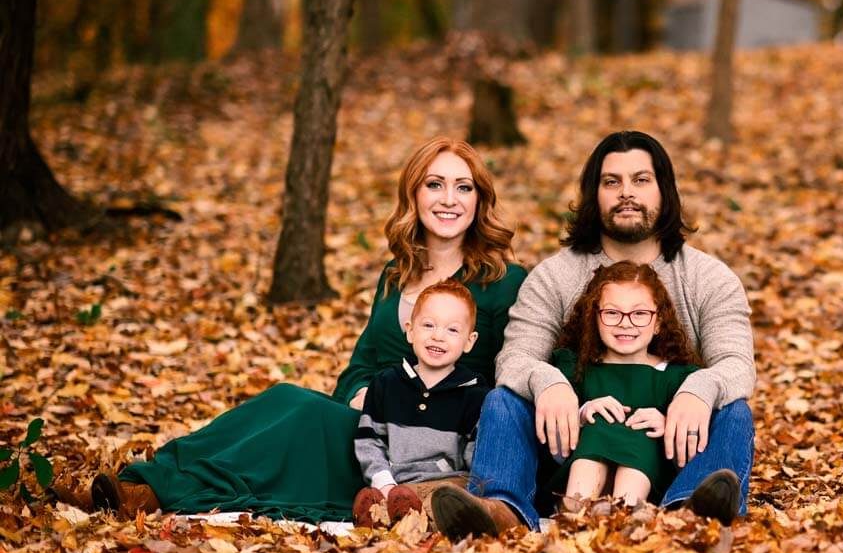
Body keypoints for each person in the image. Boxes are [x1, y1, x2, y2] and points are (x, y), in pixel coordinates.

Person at [85, 137, 526, 523]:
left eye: (463, 187)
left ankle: (153, 488)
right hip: (372, 420)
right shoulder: (396, 275)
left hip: (428, 446)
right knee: (281, 400)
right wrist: (360, 392)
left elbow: (513, 375)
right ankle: (143, 486)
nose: (449, 199)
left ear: (478, 200)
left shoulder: (502, 281)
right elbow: (362, 364)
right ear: (414, 195)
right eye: (435, 184)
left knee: (295, 411)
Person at [431, 130, 756, 539]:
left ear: (664, 191)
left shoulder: (710, 279)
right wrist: (549, 382)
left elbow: (738, 366)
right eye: (611, 182)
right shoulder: (555, 276)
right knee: (504, 400)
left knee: (735, 411)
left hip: (670, 442)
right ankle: (502, 509)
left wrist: (698, 388)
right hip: (571, 444)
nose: (626, 193)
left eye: (641, 180)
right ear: (593, 193)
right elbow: (514, 359)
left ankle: (689, 513)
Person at [549, 261, 700, 511]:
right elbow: (551, 441)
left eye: (640, 314)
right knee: (600, 425)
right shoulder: (574, 370)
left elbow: (690, 446)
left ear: (659, 322)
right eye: (612, 313)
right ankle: (574, 509)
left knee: (640, 433)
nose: (625, 323)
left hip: (649, 480)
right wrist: (582, 413)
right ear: (594, 317)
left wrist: (668, 423)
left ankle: (628, 512)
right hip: (580, 471)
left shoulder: (677, 378)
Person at [351, 280, 489, 527]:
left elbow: (476, 453)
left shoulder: (474, 392)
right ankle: (380, 513)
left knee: (454, 494)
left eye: (452, 330)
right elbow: (369, 440)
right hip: (396, 481)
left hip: (448, 480)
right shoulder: (386, 383)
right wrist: (382, 480)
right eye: (428, 325)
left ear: (470, 341)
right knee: (386, 495)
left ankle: (407, 516)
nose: (438, 336)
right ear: (410, 330)